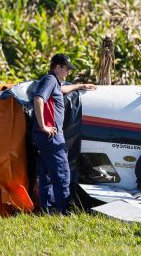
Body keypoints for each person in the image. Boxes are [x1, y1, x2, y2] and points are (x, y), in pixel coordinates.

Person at [32, 53, 96, 214]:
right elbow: (39, 99)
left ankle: (48, 208)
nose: (68, 72)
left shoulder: (52, 82)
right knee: (62, 172)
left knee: (46, 173)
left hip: (45, 136)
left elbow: (61, 90)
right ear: (58, 67)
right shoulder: (50, 80)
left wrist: (80, 86)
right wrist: (43, 126)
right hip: (51, 135)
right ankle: (64, 210)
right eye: (66, 69)